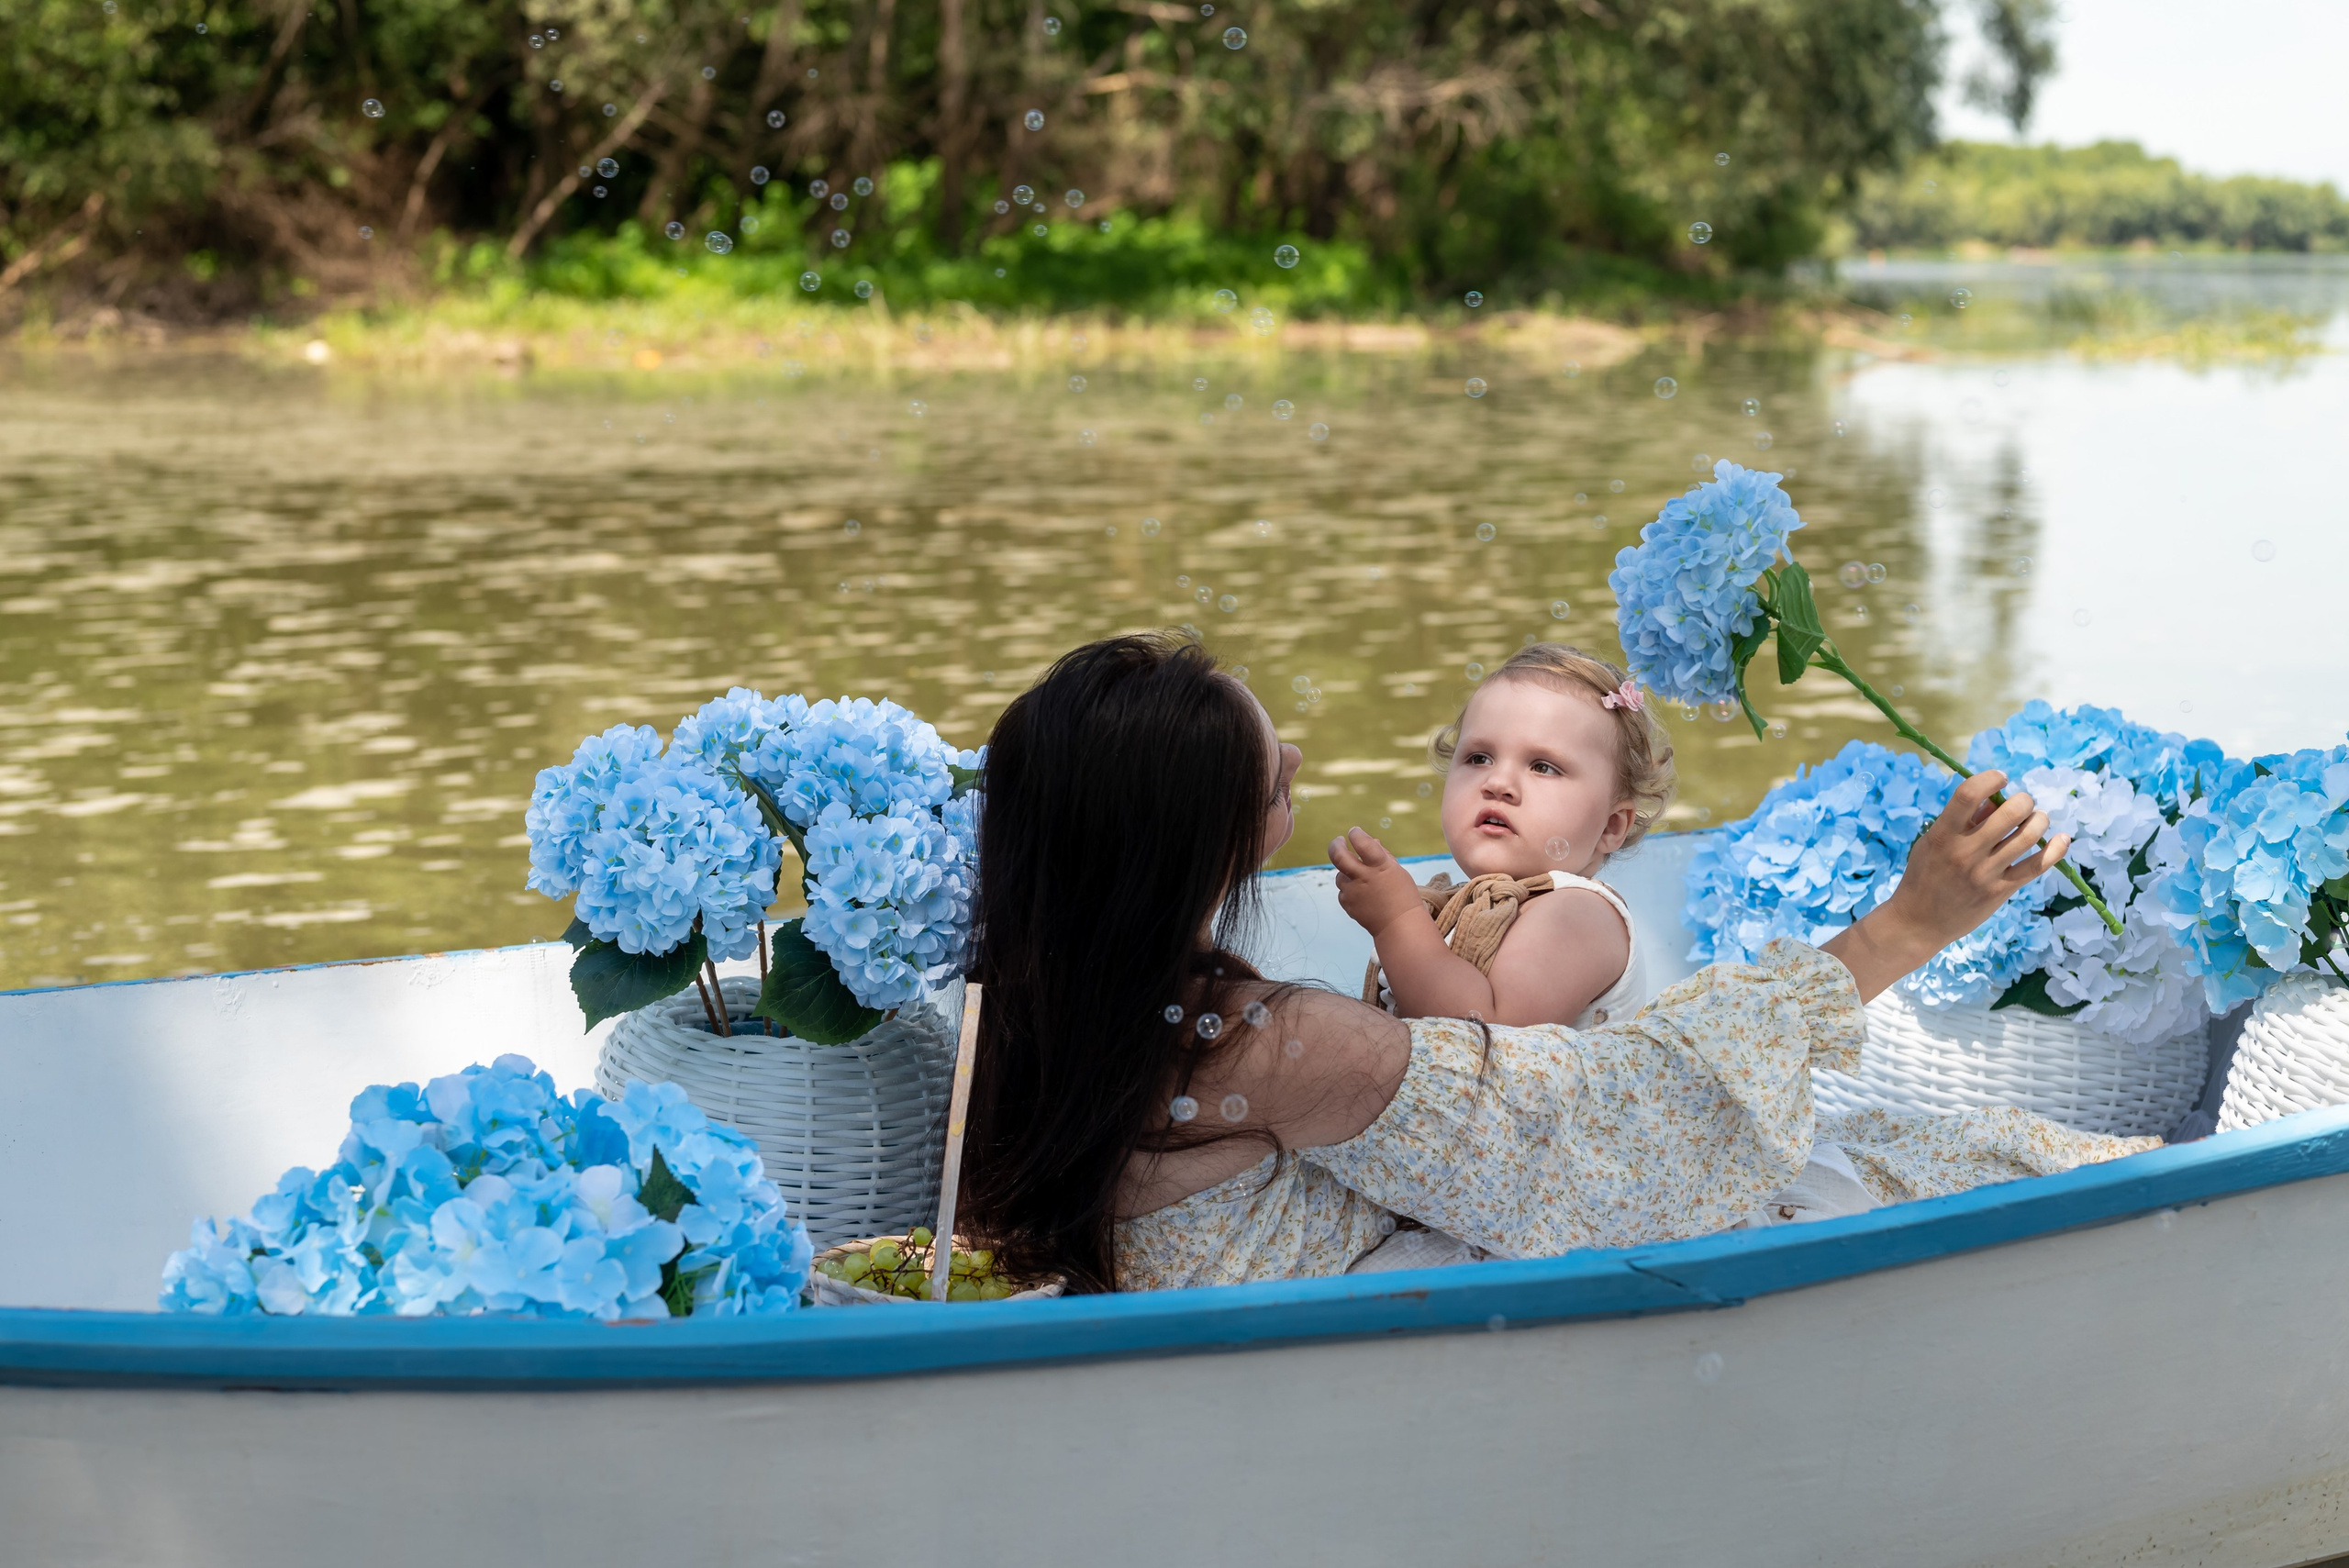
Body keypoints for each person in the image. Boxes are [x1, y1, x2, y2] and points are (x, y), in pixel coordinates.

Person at [957, 633, 2156, 1295]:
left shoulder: (1030, 1001)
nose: (1307, 753)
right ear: (1196, 841)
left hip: (1347, 1293)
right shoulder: (1275, 1044)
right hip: (1428, 1338)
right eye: (1277, 771)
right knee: (1936, 1169)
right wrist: (1907, 923)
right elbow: (1609, 1140)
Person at [1337, 643, 1674, 1030]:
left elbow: (1491, 1037)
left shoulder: (1578, 913)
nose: (1498, 783)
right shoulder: (1468, 905)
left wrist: (1396, 921)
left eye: (1543, 767)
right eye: (1479, 758)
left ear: (1611, 826)